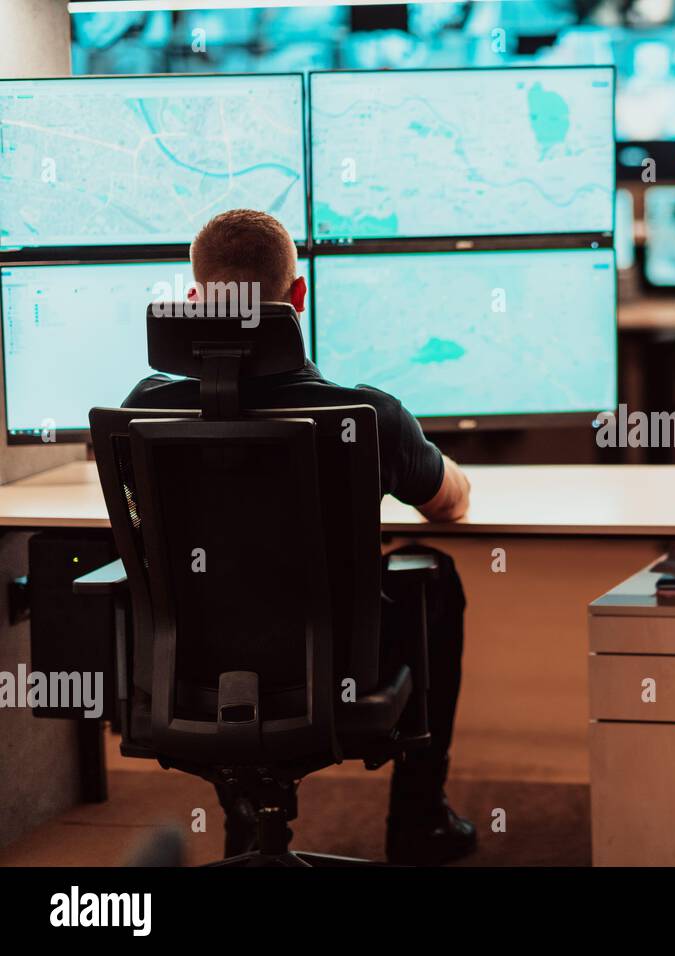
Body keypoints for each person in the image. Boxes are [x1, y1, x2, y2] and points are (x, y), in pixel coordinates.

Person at [122, 209, 476, 866]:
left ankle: (244, 830)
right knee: (436, 576)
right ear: (299, 297)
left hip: (189, 677)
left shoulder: (141, 411)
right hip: (340, 671)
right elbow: (449, 505)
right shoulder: (364, 414)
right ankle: (418, 820)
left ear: (197, 300)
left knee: (222, 596)